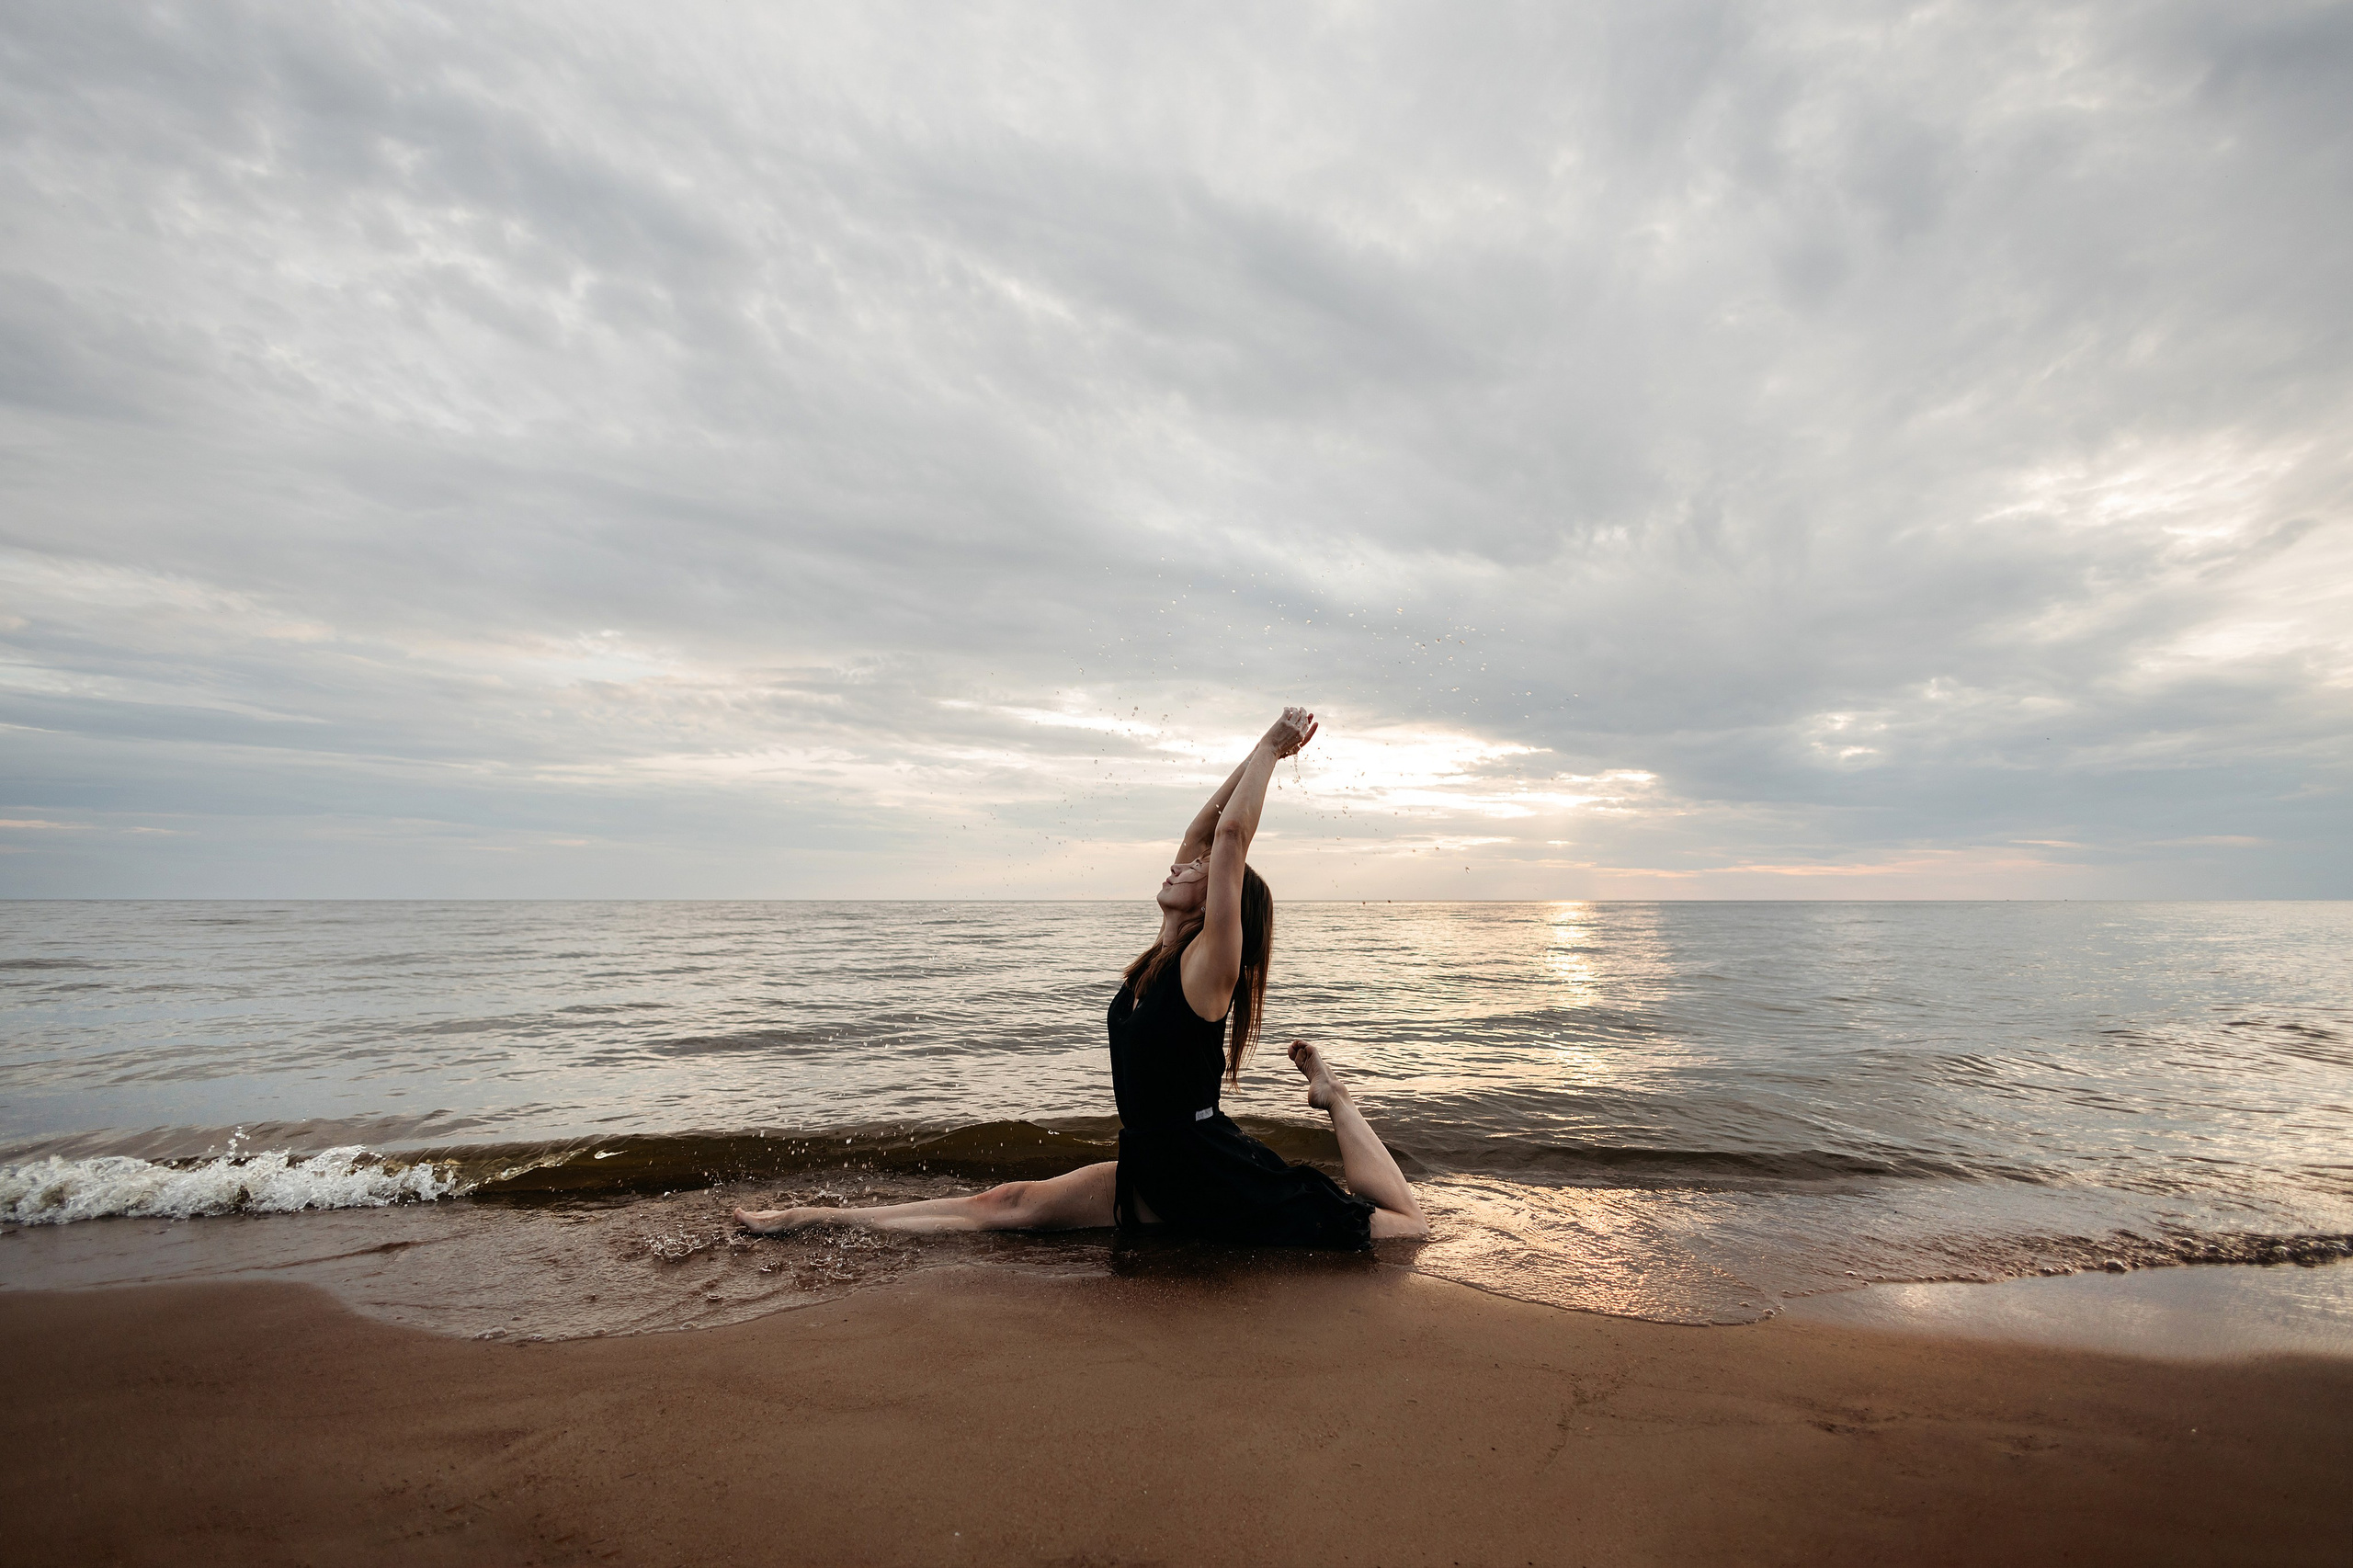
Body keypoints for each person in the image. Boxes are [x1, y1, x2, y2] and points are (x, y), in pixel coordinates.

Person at [733, 705, 1428, 1245]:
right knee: (1004, 1204)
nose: (1181, 863)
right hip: (1155, 1161)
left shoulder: (1208, 965)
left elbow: (1227, 839)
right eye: (1187, 863)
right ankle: (813, 1216)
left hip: (1209, 1174)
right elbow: (1204, 829)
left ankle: (1334, 1096)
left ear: (1222, 901)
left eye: (1200, 872)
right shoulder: (1157, 958)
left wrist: (1273, 750)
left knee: (1401, 1228)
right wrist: (1257, 746)